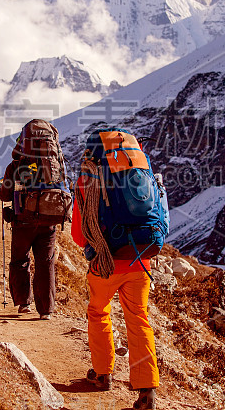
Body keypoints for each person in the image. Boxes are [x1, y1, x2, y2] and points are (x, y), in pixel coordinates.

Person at [70, 128, 163, 410]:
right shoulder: (141, 173)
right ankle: (147, 391)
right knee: (138, 318)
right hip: (140, 260)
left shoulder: (88, 179)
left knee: (99, 312)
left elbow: (78, 234)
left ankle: (103, 373)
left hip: (106, 261)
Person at [0, 119, 72, 320]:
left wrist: (1, 191)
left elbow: (5, 195)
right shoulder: (56, 166)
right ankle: (46, 310)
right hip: (48, 222)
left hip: (23, 221)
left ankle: (23, 303)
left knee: (20, 260)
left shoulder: (16, 165)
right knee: (45, 262)